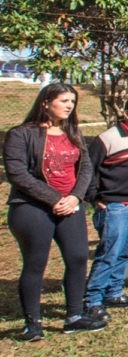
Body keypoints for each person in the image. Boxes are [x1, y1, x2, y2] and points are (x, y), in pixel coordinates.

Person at [4, 82, 102, 339]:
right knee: (36, 263)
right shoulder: (20, 134)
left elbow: (86, 169)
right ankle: (33, 324)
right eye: (63, 100)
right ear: (46, 102)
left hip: (71, 206)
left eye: (72, 101)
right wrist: (54, 198)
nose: (69, 105)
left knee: (78, 257)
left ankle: (74, 316)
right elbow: (17, 173)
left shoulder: (74, 133)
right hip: (32, 208)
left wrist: (75, 197)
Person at [83, 95, 128, 322]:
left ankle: (114, 292)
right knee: (108, 254)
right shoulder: (108, 138)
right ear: (127, 114)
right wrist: (93, 197)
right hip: (116, 207)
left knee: (125, 252)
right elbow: (86, 170)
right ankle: (91, 301)